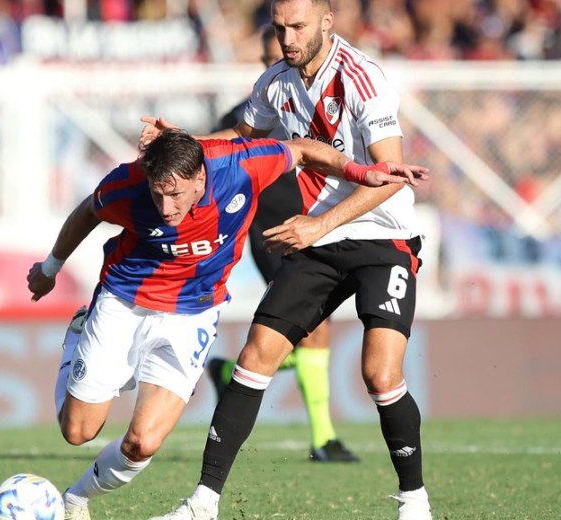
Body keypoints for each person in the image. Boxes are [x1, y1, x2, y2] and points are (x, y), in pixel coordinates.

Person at [28, 129, 425, 520]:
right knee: (78, 432)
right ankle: (78, 336)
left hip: (193, 314)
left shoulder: (239, 165)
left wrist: (360, 172)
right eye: (158, 194)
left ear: (201, 177)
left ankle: (75, 499)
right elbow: (88, 211)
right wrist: (50, 269)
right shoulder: (128, 184)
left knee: (142, 444)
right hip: (124, 303)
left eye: (175, 194)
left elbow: (303, 149)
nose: (166, 207)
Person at [145, 1, 433, 519]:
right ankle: (202, 504)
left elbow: (390, 175)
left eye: (298, 26)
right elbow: (242, 138)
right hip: (320, 242)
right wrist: (185, 142)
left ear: (327, 21)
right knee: (256, 355)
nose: (288, 38)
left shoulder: (362, 79)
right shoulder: (275, 83)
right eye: (280, 28)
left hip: (383, 238)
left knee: (380, 373)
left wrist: (319, 224)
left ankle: (415, 502)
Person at [205, 24, 358, 463]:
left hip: (321, 227)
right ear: (263, 64)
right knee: (312, 329)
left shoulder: (324, 105)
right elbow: (216, 177)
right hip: (274, 236)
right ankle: (324, 439)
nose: (286, 56)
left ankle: (231, 372)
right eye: (274, 55)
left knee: (308, 333)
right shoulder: (240, 122)